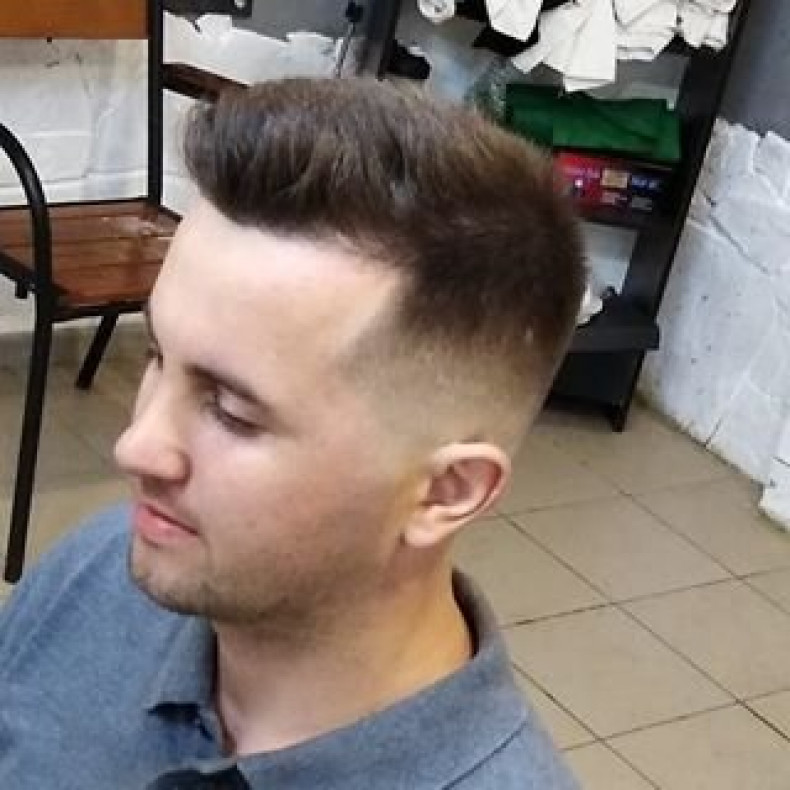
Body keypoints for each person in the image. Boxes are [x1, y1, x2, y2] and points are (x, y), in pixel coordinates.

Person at [0, 77, 584, 788]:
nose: (136, 448)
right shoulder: (99, 570)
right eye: (156, 356)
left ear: (445, 491)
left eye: (231, 412)